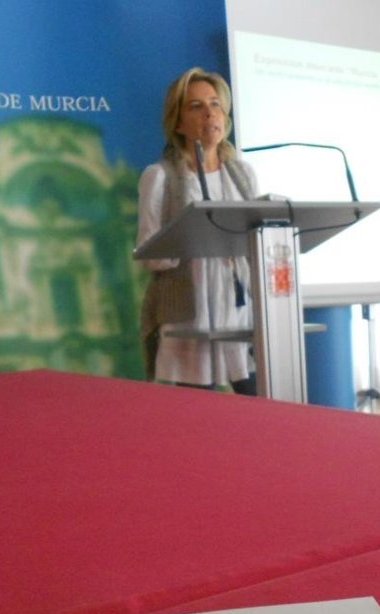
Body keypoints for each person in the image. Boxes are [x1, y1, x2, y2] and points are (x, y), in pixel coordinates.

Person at [135, 67, 258, 395]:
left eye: (215, 104)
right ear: (178, 123)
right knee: (199, 416)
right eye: (196, 106)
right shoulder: (160, 177)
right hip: (190, 319)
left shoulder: (242, 174)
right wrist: (190, 240)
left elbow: (256, 239)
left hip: (240, 314)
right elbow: (148, 251)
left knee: (258, 410)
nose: (209, 113)